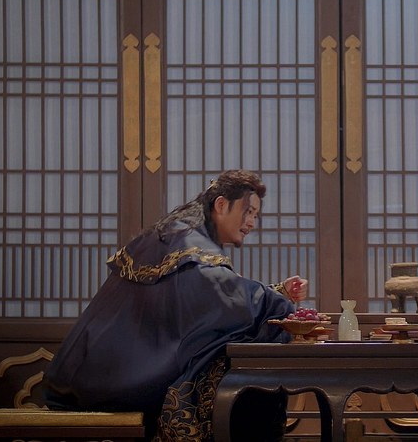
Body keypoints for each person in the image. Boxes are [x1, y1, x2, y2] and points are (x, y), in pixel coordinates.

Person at [42, 170, 308, 441]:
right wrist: (276, 303)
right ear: (221, 205)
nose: (251, 222)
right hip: (118, 377)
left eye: (256, 215)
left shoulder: (184, 233)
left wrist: (277, 291)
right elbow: (216, 291)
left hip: (116, 365)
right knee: (235, 374)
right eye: (248, 212)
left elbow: (210, 300)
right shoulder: (186, 238)